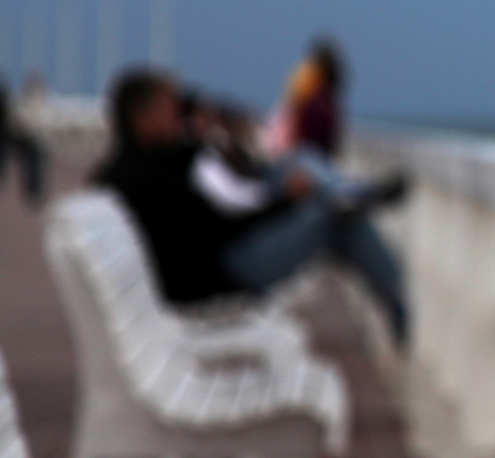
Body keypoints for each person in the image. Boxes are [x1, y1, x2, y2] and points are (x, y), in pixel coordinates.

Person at [95, 68, 410, 344]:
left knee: (336, 211)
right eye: (170, 107)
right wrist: (285, 200)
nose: (179, 116)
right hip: (222, 277)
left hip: (213, 267)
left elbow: (217, 219)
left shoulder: (131, 170)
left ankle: (381, 272)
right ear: (142, 116)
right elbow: (220, 226)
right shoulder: (150, 174)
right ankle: (391, 291)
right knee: (333, 217)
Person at [0, 74, 46, 207]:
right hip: (18, 136)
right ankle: (34, 192)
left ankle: (33, 191)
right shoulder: (30, 99)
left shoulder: (29, 100)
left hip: (16, 136)